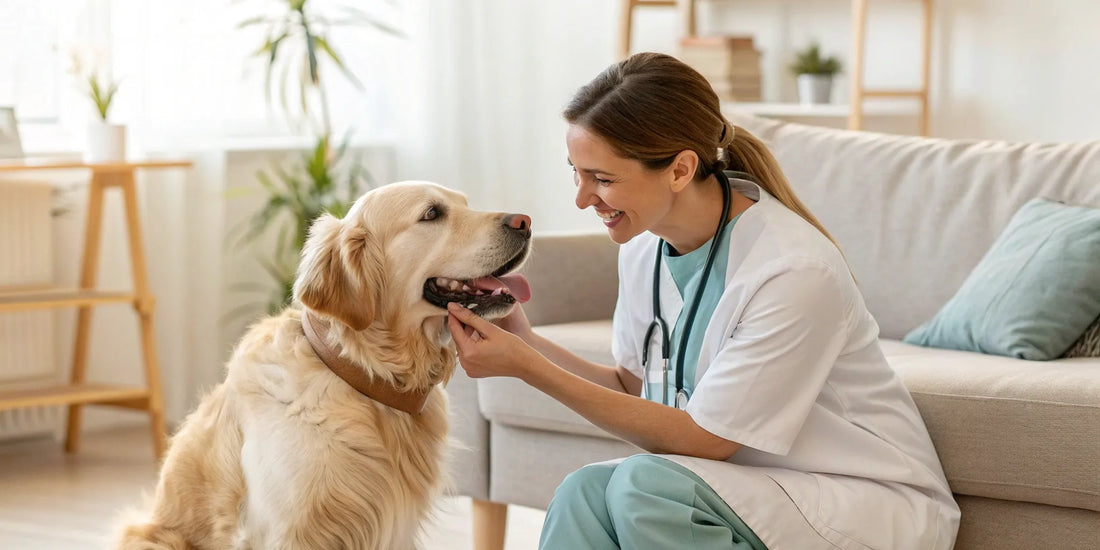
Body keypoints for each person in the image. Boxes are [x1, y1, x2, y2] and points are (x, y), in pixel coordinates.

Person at [446, 52, 959, 550]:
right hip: (741, 488)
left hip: (858, 499)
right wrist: (526, 342)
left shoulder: (794, 270)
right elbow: (633, 385)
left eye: (602, 179)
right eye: (576, 173)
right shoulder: (644, 246)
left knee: (643, 486)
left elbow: (705, 441)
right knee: (585, 492)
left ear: (679, 169)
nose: (582, 198)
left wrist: (527, 370)